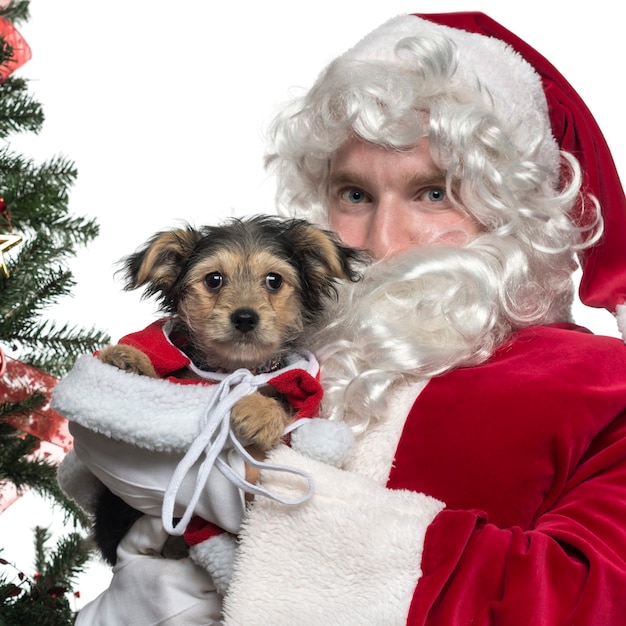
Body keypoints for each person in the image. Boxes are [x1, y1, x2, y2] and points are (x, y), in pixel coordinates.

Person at [55, 11, 626, 625]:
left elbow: (584, 598)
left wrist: (259, 496)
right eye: (354, 194)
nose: (381, 241)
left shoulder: (601, 387)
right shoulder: (282, 349)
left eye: (433, 193)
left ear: (515, 209)